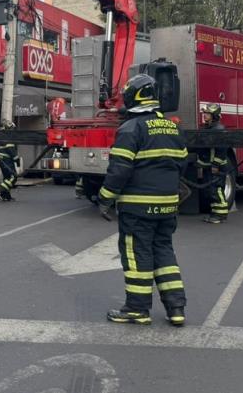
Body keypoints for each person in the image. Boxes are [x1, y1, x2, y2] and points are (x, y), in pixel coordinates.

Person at [97, 74, 189, 327]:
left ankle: (137, 309)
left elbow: (120, 170)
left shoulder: (130, 129)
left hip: (137, 208)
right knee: (164, 251)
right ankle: (176, 307)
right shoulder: (173, 127)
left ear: (132, 97)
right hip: (168, 206)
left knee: (137, 256)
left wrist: (104, 198)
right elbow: (182, 164)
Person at [196, 103, 230, 224]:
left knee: (217, 190)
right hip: (209, 165)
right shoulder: (209, 128)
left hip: (216, 166)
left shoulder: (218, 130)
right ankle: (214, 213)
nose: (204, 115)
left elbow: (221, 149)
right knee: (211, 190)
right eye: (204, 113)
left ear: (214, 115)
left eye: (207, 114)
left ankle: (220, 215)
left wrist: (215, 164)